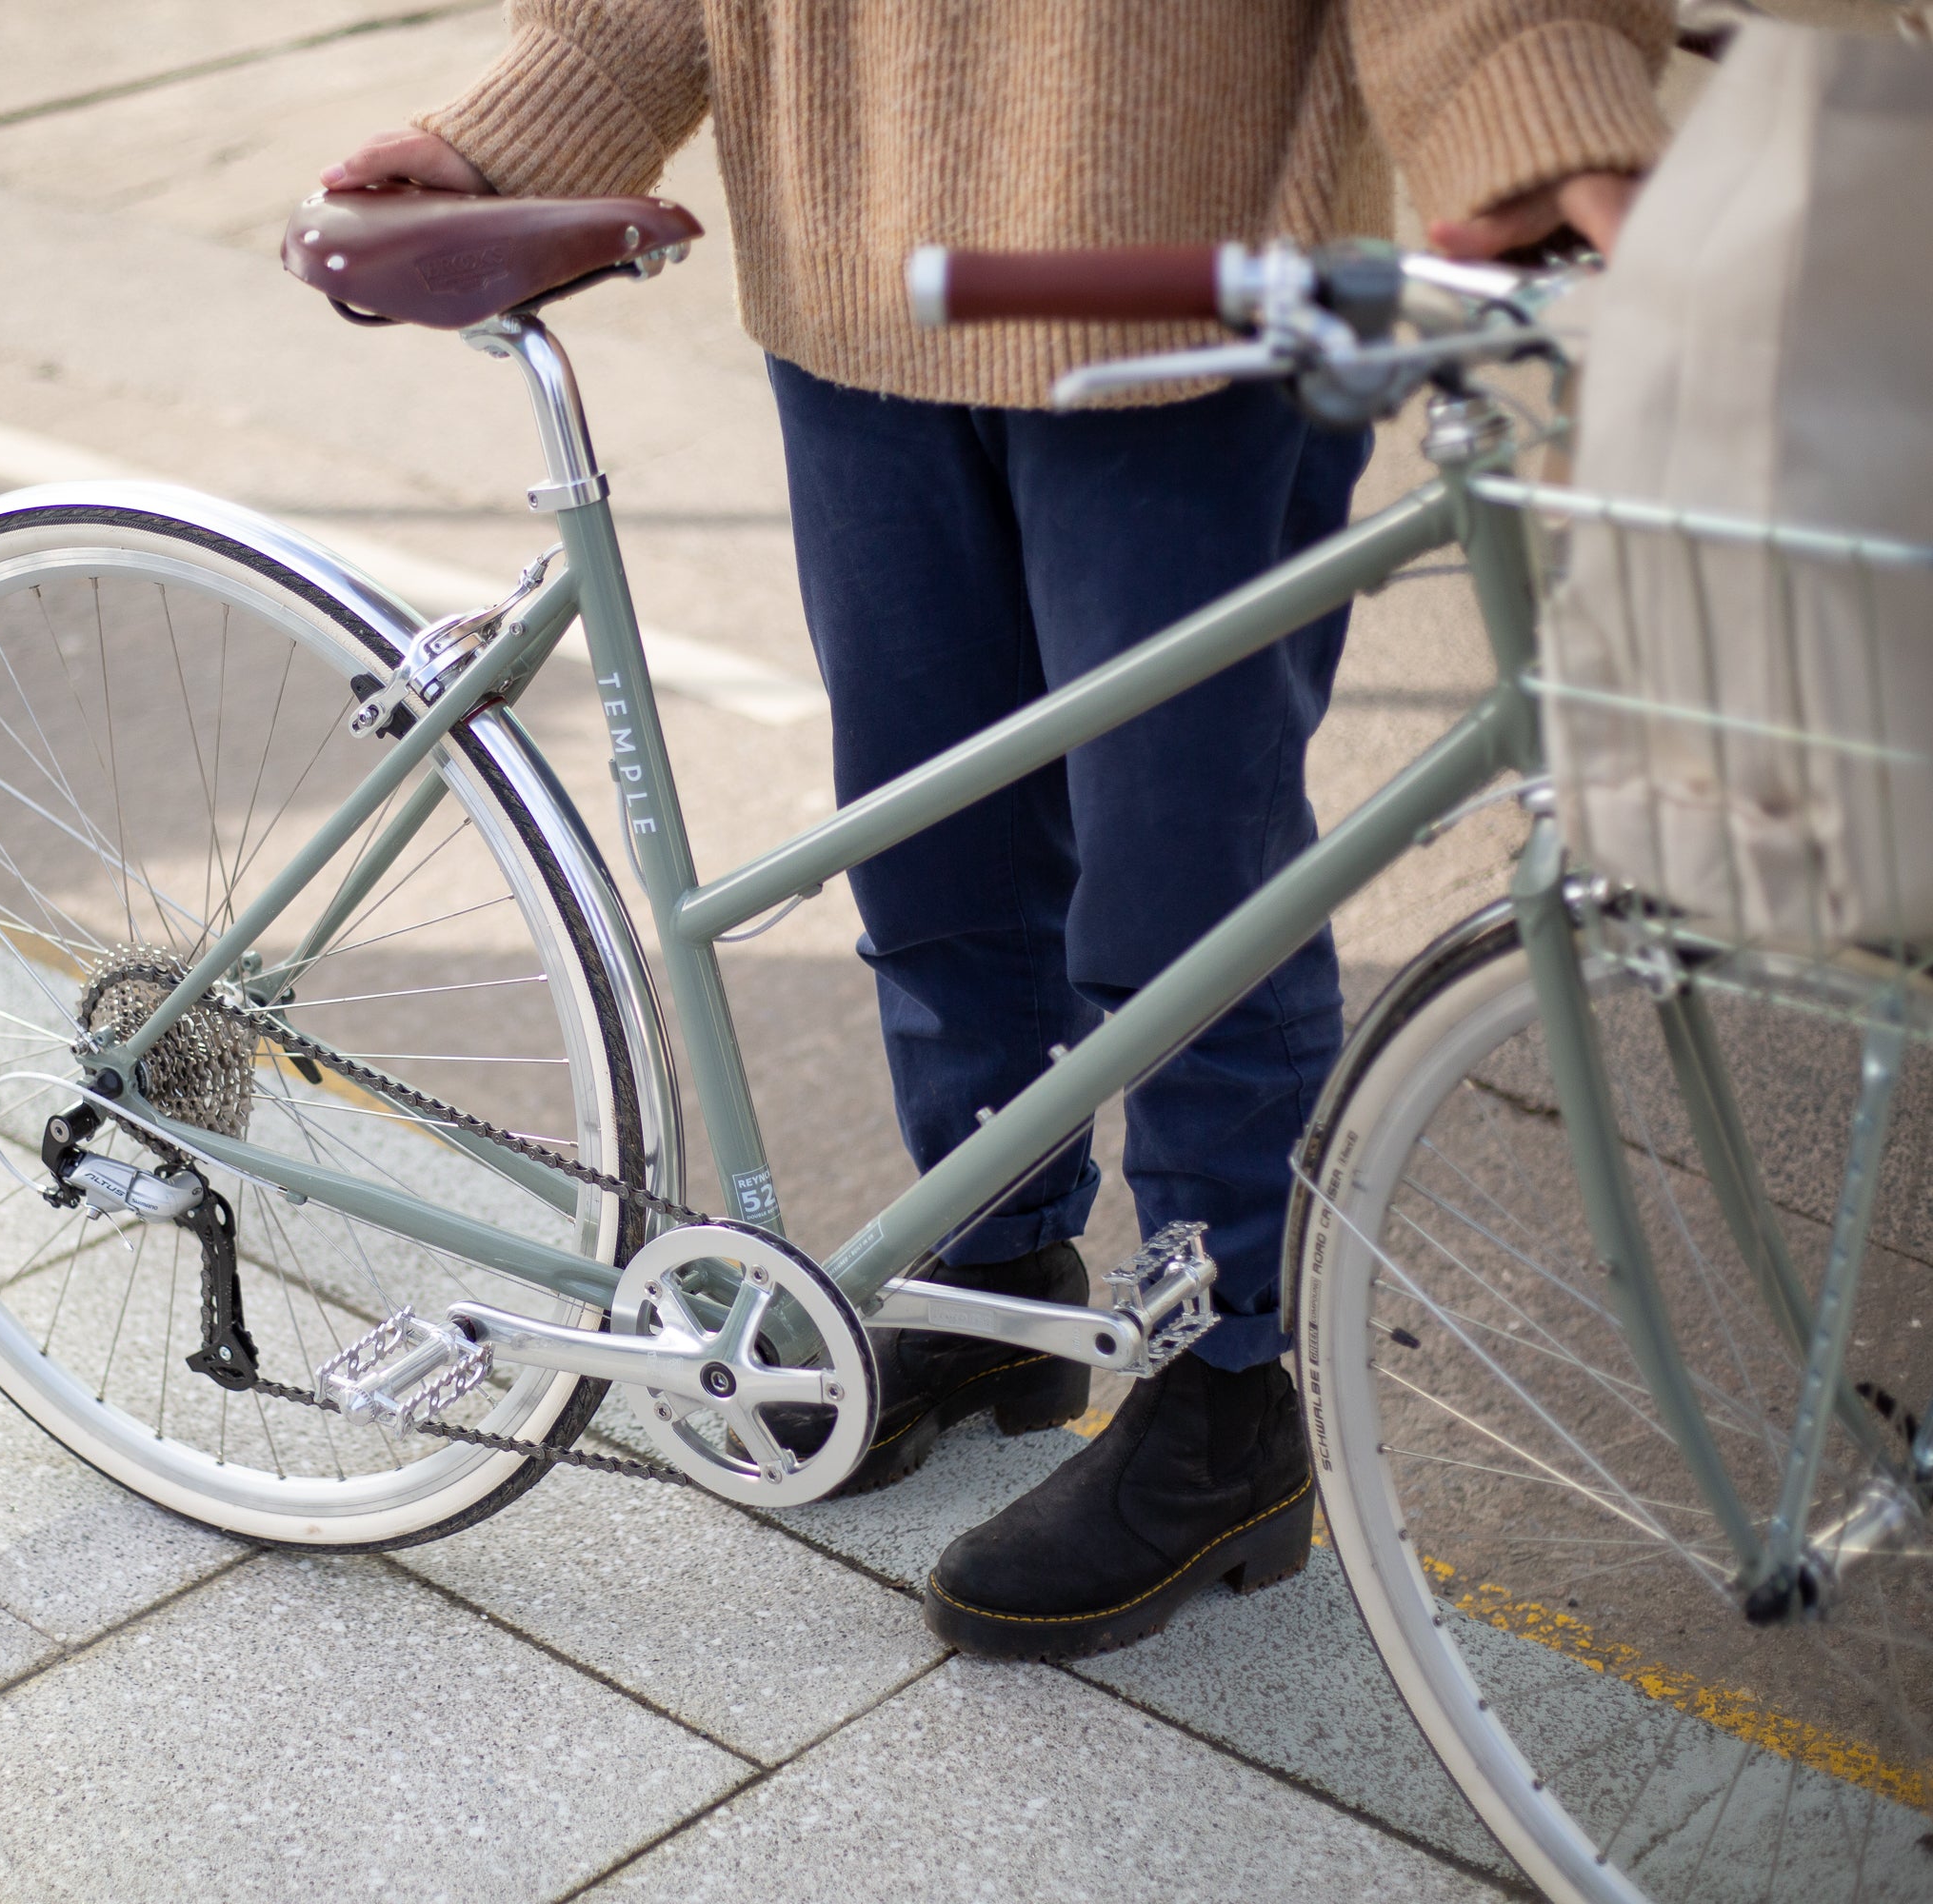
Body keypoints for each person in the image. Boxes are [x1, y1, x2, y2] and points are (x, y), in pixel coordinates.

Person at [324, 1, 1672, 1658]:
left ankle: (1229, 1390)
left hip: (1189, 297)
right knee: (929, 848)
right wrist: (530, 121)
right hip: (850, 285)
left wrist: (1543, 101)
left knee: (1193, 893)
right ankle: (998, 1279)